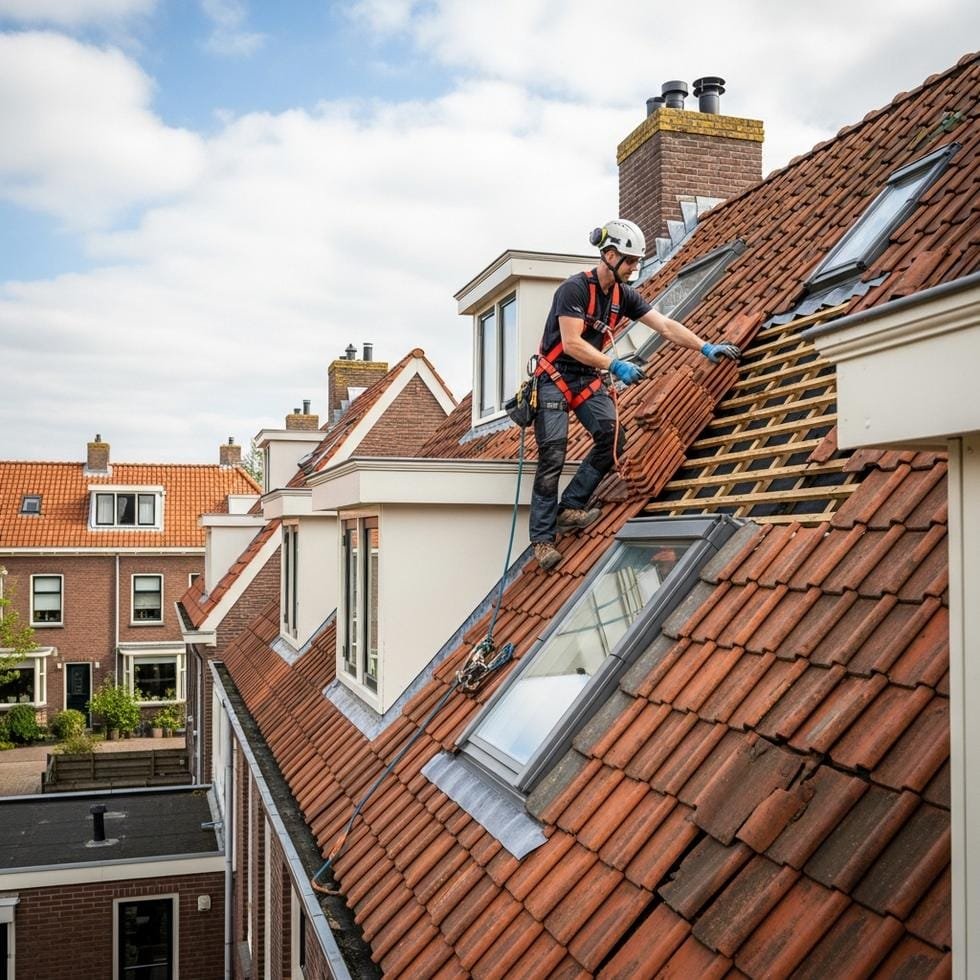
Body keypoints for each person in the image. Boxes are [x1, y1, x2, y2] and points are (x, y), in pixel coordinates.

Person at [530, 218, 741, 571]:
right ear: (610, 255)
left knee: (612, 435)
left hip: (585, 377)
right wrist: (615, 366)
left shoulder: (623, 296)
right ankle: (541, 539)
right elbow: (571, 343)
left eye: (636, 262)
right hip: (554, 376)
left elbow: (665, 325)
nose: (634, 268)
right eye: (629, 261)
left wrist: (704, 347)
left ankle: (570, 507)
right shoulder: (573, 291)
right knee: (553, 453)